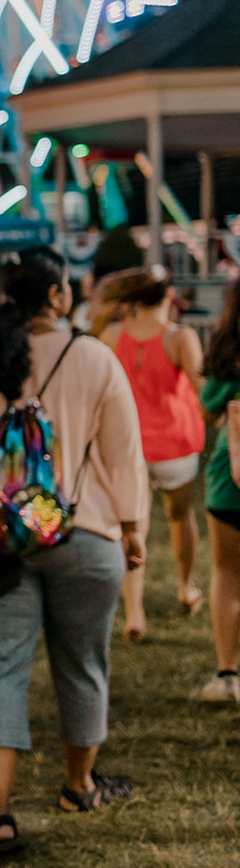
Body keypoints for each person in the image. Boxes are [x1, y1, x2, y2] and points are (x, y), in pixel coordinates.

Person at [0, 247, 146, 855]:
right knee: (84, 663)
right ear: (59, 294)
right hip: (84, 534)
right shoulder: (94, 358)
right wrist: (133, 528)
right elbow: (122, 454)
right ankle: (78, 785)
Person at [97, 268, 205, 638]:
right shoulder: (180, 337)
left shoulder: (111, 335)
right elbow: (202, 389)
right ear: (168, 295)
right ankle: (186, 587)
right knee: (180, 518)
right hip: (176, 447)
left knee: (133, 527)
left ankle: (134, 613)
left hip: (128, 448)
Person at [196, 282, 240, 702]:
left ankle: (227, 674)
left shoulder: (229, 356)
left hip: (230, 482)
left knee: (228, 573)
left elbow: (206, 409)